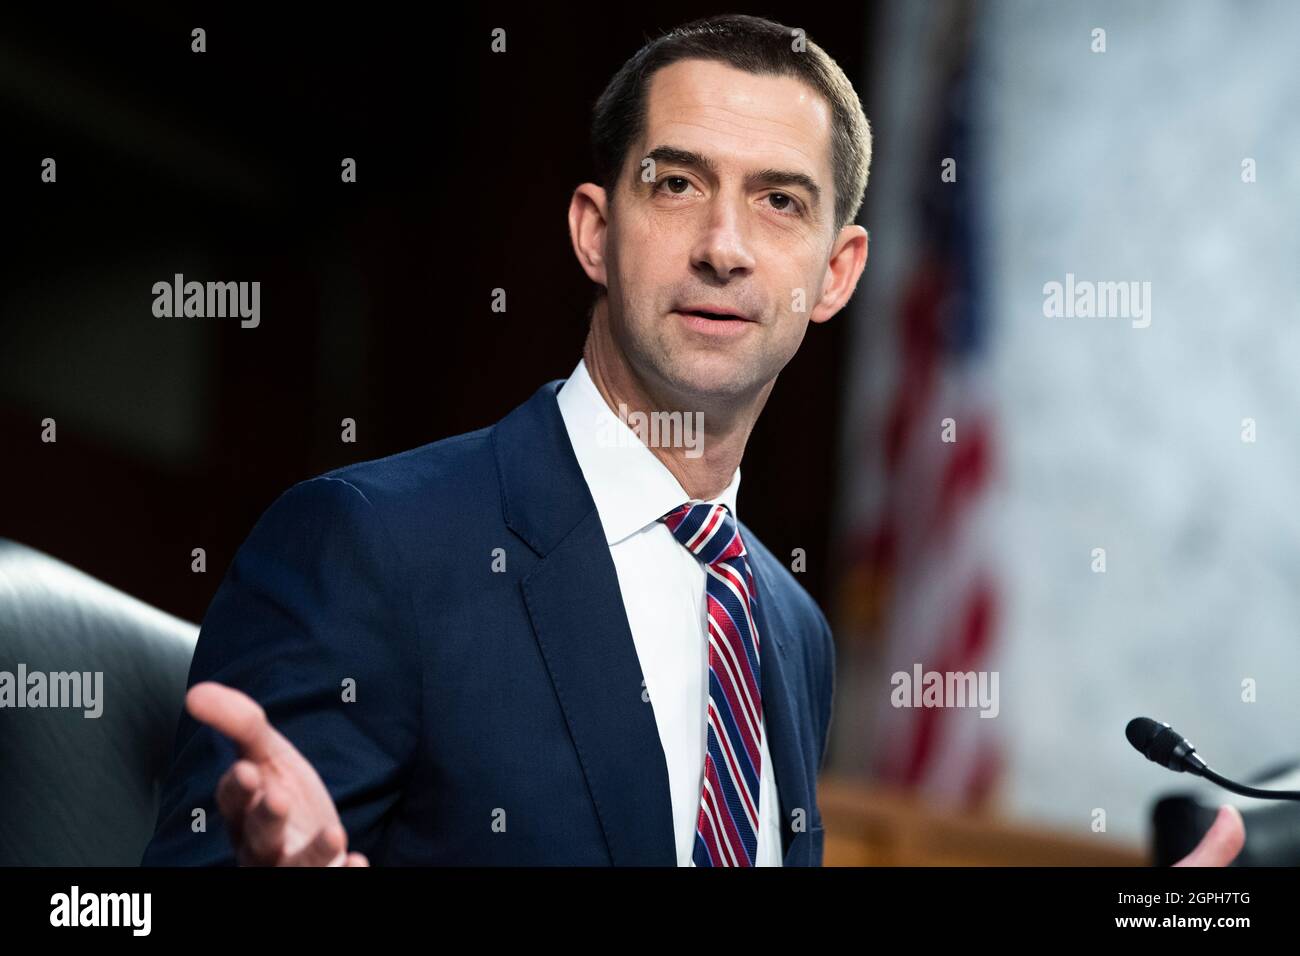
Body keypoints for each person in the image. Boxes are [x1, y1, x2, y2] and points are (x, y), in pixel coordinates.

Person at [140, 13, 1244, 868]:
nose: (723, 245)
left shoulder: (791, 629)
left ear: (836, 273)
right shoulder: (369, 543)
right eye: (676, 184)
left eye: (777, 202)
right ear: (594, 230)